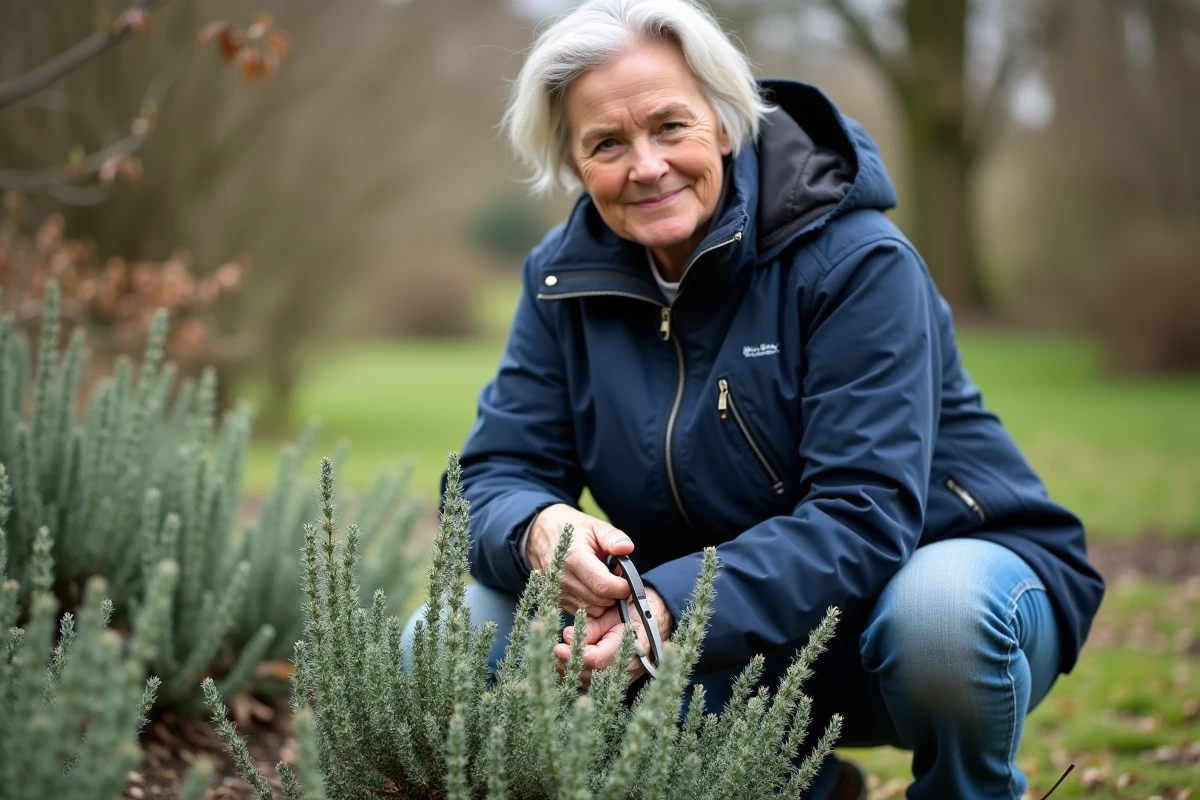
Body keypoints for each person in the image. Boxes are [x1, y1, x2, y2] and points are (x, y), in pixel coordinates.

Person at [402, 1, 1105, 797]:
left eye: (671, 126)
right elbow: (494, 473)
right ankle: (796, 784)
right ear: (573, 163)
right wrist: (535, 529)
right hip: (715, 637)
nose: (646, 166)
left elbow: (864, 511)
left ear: (727, 124)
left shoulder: (858, 262)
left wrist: (667, 607)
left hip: (925, 600)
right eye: (607, 143)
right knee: (444, 640)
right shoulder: (559, 281)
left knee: (939, 619)